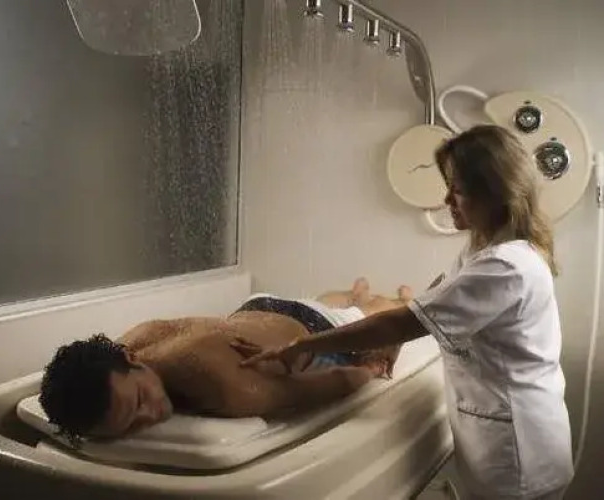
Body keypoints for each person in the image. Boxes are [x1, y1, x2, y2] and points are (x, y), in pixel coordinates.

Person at [233, 125, 573, 500]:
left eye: (457, 189)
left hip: (520, 457)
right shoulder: (485, 249)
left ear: (492, 192)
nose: (447, 199)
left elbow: (399, 322)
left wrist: (302, 345)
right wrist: (400, 337)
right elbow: (441, 292)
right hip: (502, 446)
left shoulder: (507, 265)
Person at [39, 278, 410, 443]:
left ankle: (386, 298)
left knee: (382, 312)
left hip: (312, 326)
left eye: (139, 400)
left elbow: (328, 385)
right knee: (327, 299)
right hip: (255, 308)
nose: (149, 416)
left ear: (130, 361)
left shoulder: (223, 387)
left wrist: (370, 369)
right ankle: (355, 292)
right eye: (130, 425)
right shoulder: (122, 348)